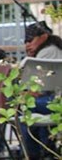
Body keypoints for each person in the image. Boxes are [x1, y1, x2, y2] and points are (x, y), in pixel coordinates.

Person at [20, 22, 62, 159]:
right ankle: (46, 150)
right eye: (25, 41)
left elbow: (34, 89)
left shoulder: (47, 52)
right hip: (53, 101)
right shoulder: (54, 49)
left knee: (24, 105)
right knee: (35, 106)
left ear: (43, 36)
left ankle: (32, 154)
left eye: (30, 39)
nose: (27, 44)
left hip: (56, 102)